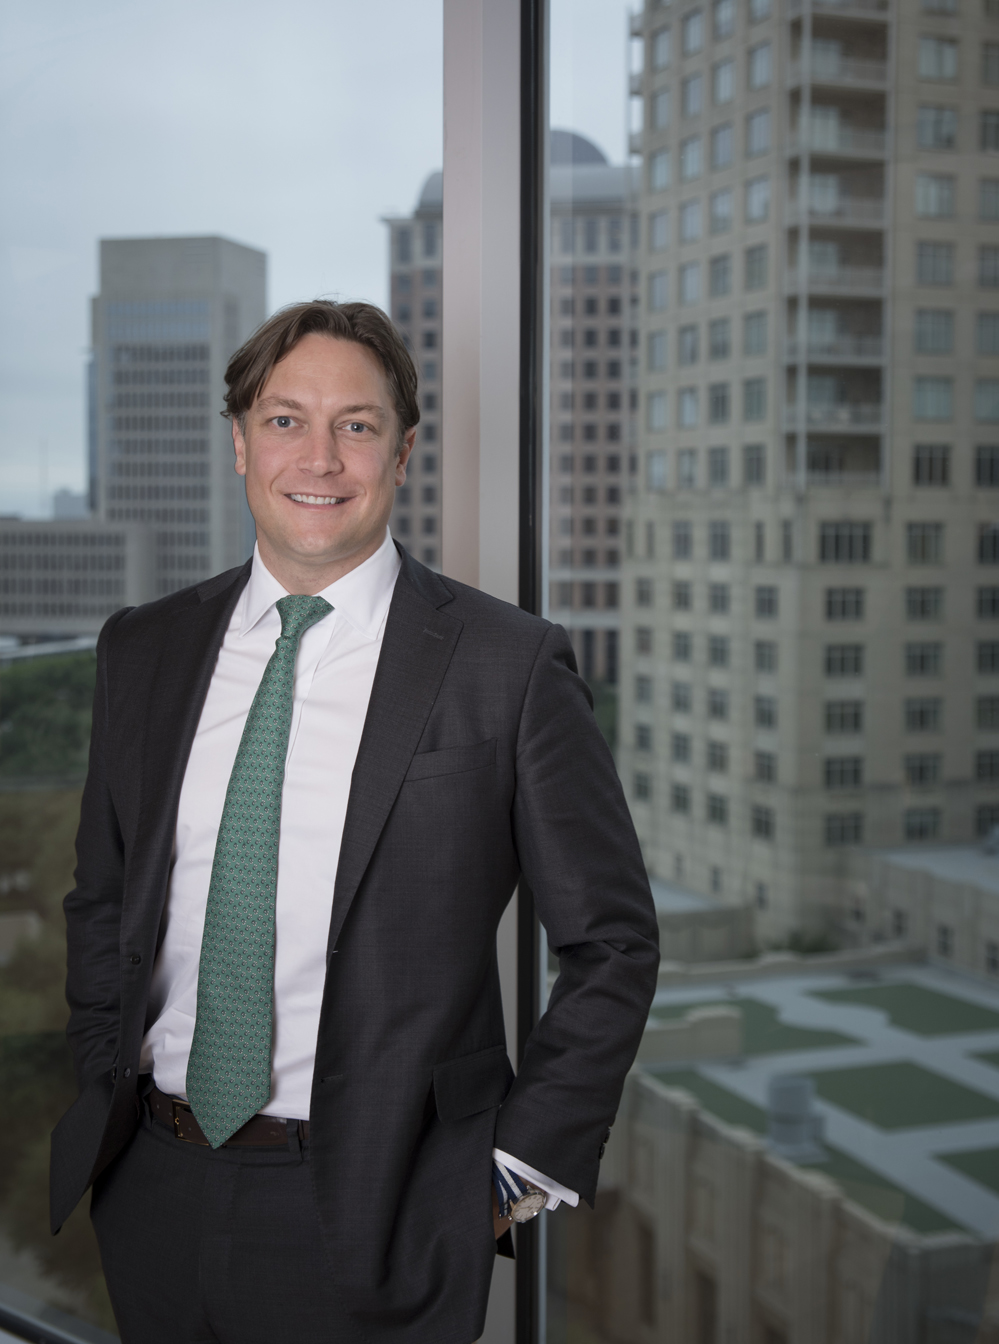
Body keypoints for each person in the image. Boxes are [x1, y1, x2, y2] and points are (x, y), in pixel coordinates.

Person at [51, 300, 659, 1344]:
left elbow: (612, 943)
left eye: (358, 425)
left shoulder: (507, 666)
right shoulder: (142, 648)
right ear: (240, 441)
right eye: (286, 420)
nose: (320, 458)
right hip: (153, 1185)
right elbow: (103, 900)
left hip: (384, 1213)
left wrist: (509, 1176)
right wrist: (103, 1075)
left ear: (403, 451)